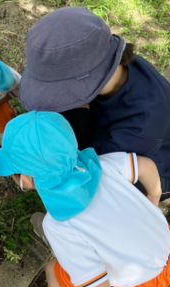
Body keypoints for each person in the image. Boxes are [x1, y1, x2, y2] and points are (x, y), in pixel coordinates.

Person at [0, 111, 170, 287]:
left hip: (138, 286)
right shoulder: (102, 164)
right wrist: (153, 198)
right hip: (164, 243)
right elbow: (146, 166)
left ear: (28, 179)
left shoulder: (58, 226)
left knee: (52, 271)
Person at [19, 7, 170, 199]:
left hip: (148, 169)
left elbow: (91, 173)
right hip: (107, 130)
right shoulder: (107, 64)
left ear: (85, 82)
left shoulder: (142, 124)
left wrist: (43, 173)